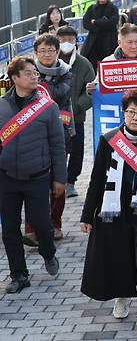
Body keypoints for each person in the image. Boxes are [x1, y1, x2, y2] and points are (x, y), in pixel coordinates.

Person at [80, 90, 137, 337]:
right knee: (119, 258)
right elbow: (96, 179)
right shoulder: (108, 140)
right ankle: (122, 296)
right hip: (112, 212)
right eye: (130, 112)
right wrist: (87, 215)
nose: (135, 117)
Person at [0, 56, 65, 293]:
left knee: (42, 225)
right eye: (28, 73)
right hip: (6, 177)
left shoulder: (48, 107)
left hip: (38, 176)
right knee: (9, 229)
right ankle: (19, 274)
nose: (34, 77)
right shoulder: (2, 106)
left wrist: (60, 178)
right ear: (14, 78)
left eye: (35, 73)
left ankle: (48, 253)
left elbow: (58, 145)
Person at [20, 34, 74, 244]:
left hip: (61, 131)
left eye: (51, 50)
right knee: (33, 181)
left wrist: (37, 83)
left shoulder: (66, 72)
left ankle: (55, 223)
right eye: (42, 51)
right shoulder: (27, 71)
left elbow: (61, 94)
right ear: (36, 53)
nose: (46, 54)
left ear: (57, 51)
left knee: (57, 179)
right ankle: (31, 228)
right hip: (32, 134)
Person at [56, 26, 95, 199]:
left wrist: (78, 106)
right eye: (62, 39)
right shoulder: (50, 62)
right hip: (53, 119)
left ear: (76, 41)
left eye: (70, 40)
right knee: (58, 151)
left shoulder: (83, 63)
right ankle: (57, 180)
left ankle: (71, 182)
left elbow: (91, 91)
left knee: (77, 150)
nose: (66, 43)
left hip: (76, 118)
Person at [81, 0, 119, 70]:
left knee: (109, 65)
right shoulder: (92, 8)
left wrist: (96, 22)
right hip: (94, 41)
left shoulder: (113, 9)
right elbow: (86, 23)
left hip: (109, 41)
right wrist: (100, 26)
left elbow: (112, 22)